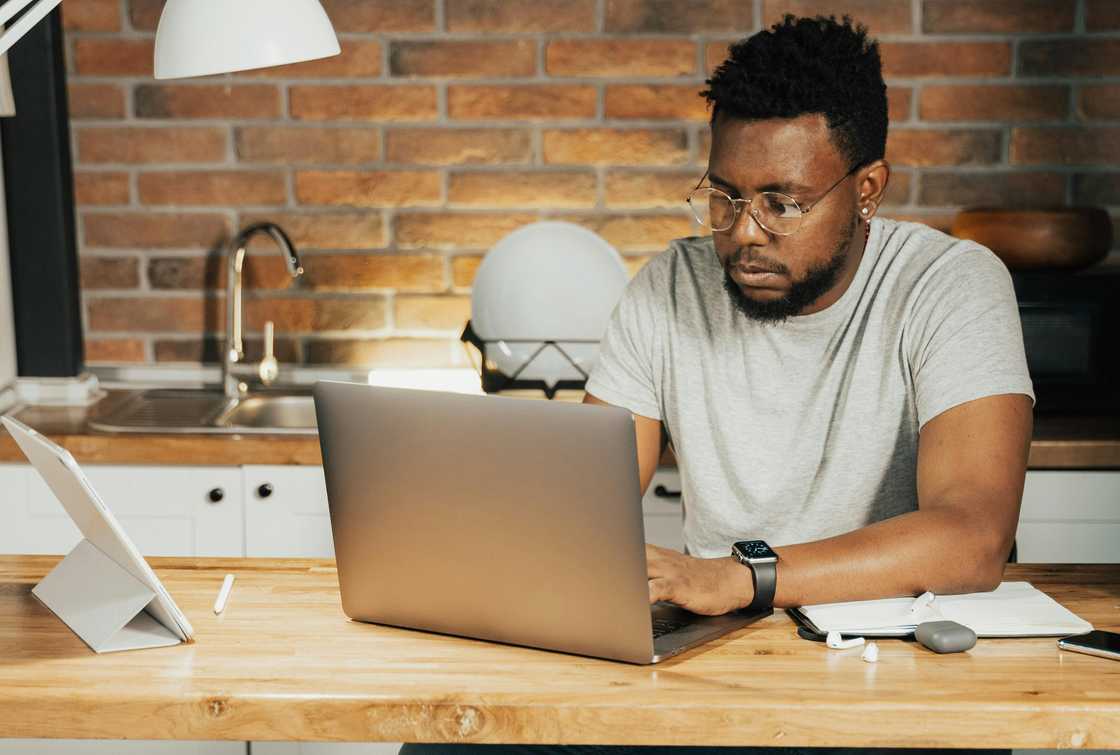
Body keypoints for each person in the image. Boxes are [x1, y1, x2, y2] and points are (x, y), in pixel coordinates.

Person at [400, 14, 1032, 755]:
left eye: (782, 203)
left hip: (888, 674)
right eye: (724, 197)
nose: (744, 232)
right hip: (719, 664)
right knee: (451, 743)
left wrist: (739, 576)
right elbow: (578, 510)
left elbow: (972, 538)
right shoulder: (672, 286)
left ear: (868, 190)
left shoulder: (950, 285)